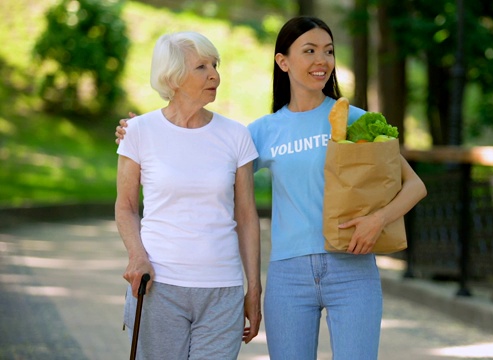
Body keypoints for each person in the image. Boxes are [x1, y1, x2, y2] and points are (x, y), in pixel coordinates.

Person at [116, 17, 427, 360]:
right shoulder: (260, 132)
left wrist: (377, 220)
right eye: (309, 51)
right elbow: (203, 151)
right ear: (283, 62)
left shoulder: (352, 119)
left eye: (328, 51)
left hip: (352, 269)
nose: (321, 60)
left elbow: (414, 186)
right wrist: (143, 132)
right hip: (288, 275)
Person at [114, 31, 261, 360]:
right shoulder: (139, 132)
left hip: (223, 289)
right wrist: (137, 255)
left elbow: (248, 217)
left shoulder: (236, 136)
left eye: (215, 65)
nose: (214, 75)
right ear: (173, 76)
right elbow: (125, 206)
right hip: (158, 286)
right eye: (201, 67)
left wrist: (254, 287)